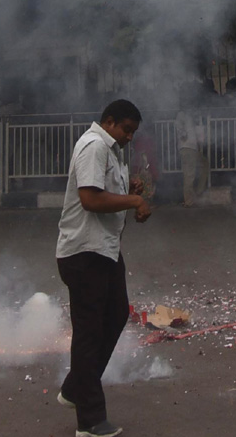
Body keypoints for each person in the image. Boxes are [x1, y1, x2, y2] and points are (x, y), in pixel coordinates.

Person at [56, 100, 151, 437]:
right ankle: (91, 421)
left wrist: (128, 193)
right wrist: (134, 201)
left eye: (133, 133)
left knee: (115, 316)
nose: (129, 137)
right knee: (89, 332)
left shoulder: (111, 150)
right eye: (126, 130)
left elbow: (106, 194)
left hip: (105, 251)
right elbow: (90, 199)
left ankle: (74, 388)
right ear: (109, 122)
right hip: (85, 252)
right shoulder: (94, 146)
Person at [175, 109, 209, 207]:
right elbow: (180, 129)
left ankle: (197, 193)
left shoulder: (189, 115)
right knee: (189, 174)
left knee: (204, 164)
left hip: (192, 148)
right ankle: (189, 201)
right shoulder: (181, 114)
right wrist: (184, 135)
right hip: (187, 148)